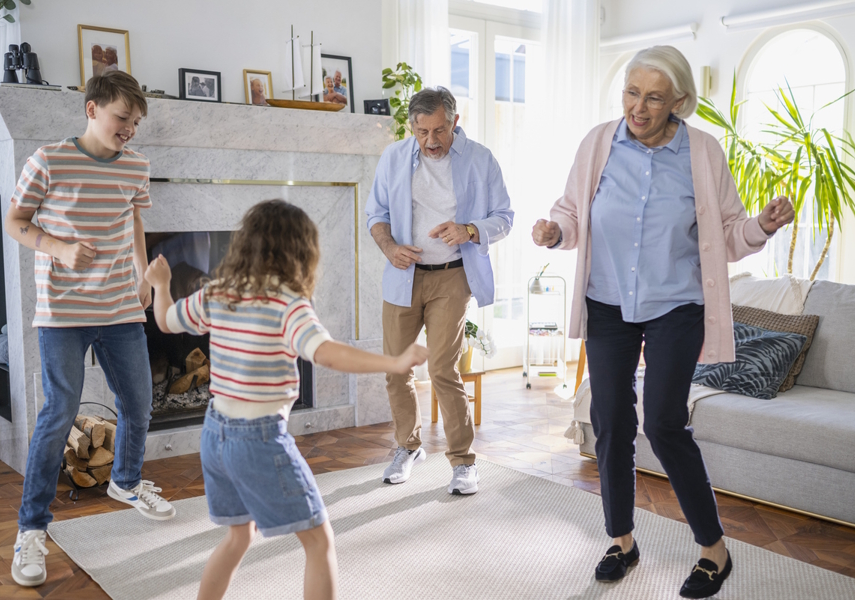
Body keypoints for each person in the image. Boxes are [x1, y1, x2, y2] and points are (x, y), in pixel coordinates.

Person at [532, 45, 794, 599]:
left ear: (679, 101)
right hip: (608, 303)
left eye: (654, 97)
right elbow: (572, 210)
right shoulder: (599, 142)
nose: (639, 107)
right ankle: (622, 540)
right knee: (610, 422)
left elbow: (728, 233)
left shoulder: (702, 151)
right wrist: (556, 231)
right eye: (632, 93)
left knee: (666, 423)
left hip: (678, 305)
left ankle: (713, 550)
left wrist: (761, 227)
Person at [145, 199, 428, 600]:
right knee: (319, 541)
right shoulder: (288, 304)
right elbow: (327, 352)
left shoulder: (218, 293)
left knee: (238, 537)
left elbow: (164, 320)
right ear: (301, 252)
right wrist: (395, 361)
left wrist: (160, 284)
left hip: (214, 436)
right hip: (258, 441)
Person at [4, 70, 175, 588]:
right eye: (123, 117)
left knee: (139, 402)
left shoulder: (136, 167)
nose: (130, 129)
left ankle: (124, 482)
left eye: (136, 122)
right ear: (92, 109)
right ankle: (30, 530)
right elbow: (15, 221)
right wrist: (58, 248)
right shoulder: (49, 160)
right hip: (63, 310)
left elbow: (135, 220)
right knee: (59, 411)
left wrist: (144, 273)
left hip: (121, 304)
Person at [366, 86, 514, 495]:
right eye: (422, 132)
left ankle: (463, 461)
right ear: (412, 127)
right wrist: (390, 247)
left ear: (454, 122)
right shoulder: (394, 157)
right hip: (404, 274)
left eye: (440, 131)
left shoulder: (481, 160)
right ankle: (407, 447)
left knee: (442, 369)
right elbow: (375, 214)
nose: (431, 141)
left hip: (452, 275)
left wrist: (469, 229)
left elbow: (505, 217)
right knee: (396, 368)